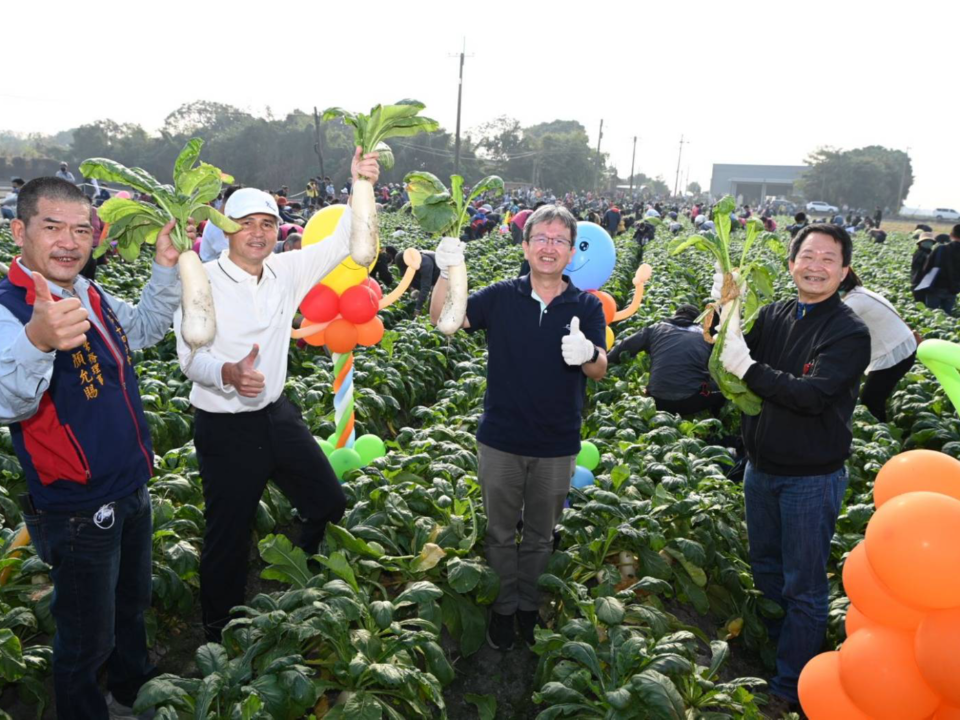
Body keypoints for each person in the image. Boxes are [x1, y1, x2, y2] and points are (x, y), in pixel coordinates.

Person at [174, 147, 380, 642]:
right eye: (248, 223)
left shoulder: (285, 272)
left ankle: (298, 561)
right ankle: (218, 627)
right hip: (225, 425)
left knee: (327, 499)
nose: (260, 232)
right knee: (228, 531)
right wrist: (227, 371)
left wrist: (360, 184)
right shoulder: (200, 281)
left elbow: (341, 244)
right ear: (226, 230)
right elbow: (189, 359)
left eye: (268, 222)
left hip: (275, 415)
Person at [0, 177, 183, 719]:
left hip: (128, 485)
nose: (68, 241)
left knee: (130, 606)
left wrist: (167, 267)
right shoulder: (11, 308)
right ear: (19, 232)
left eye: (81, 229)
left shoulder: (88, 293)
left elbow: (147, 328)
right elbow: (7, 401)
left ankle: (131, 689)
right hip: (77, 506)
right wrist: (36, 341)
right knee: (84, 638)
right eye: (51, 227)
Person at [429, 204, 607, 651]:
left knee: (541, 535)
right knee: (500, 533)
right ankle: (504, 608)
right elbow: (445, 320)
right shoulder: (502, 295)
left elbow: (601, 368)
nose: (549, 248)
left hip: (557, 442)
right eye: (541, 239)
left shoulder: (586, 304)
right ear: (525, 246)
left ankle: (529, 606)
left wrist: (587, 352)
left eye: (559, 241)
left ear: (571, 252)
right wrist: (447, 269)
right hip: (502, 439)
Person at [716, 223, 871, 706]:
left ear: (844, 272)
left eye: (829, 259)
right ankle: (772, 660)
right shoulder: (779, 313)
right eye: (808, 255)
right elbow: (729, 347)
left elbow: (812, 396)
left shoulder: (849, 332)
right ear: (791, 263)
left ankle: (790, 690)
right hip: (760, 471)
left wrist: (749, 368)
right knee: (765, 571)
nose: (816, 265)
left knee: (803, 587)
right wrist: (724, 310)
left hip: (811, 478)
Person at [608, 304, 724, 416]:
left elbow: (625, 346)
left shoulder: (656, 329)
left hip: (657, 401)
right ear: (697, 320)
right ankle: (716, 426)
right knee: (723, 389)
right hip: (692, 401)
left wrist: (606, 362)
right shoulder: (706, 336)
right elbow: (720, 366)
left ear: (675, 316)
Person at [839, 269, 916, 422]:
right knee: (873, 398)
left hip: (896, 352)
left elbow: (832, 329)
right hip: (899, 345)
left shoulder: (854, 301)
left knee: (871, 400)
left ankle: (882, 436)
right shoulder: (857, 293)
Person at [920, 224, 960, 315]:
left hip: (935, 287)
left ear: (951, 235)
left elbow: (926, 268)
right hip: (953, 290)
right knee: (946, 318)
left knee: (930, 316)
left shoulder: (941, 249)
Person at [911, 232, 936, 303]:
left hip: (927, 283)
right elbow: (919, 269)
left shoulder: (930, 253)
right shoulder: (919, 254)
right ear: (920, 243)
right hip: (918, 283)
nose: (928, 243)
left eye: (930, 241)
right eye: (926, 241)